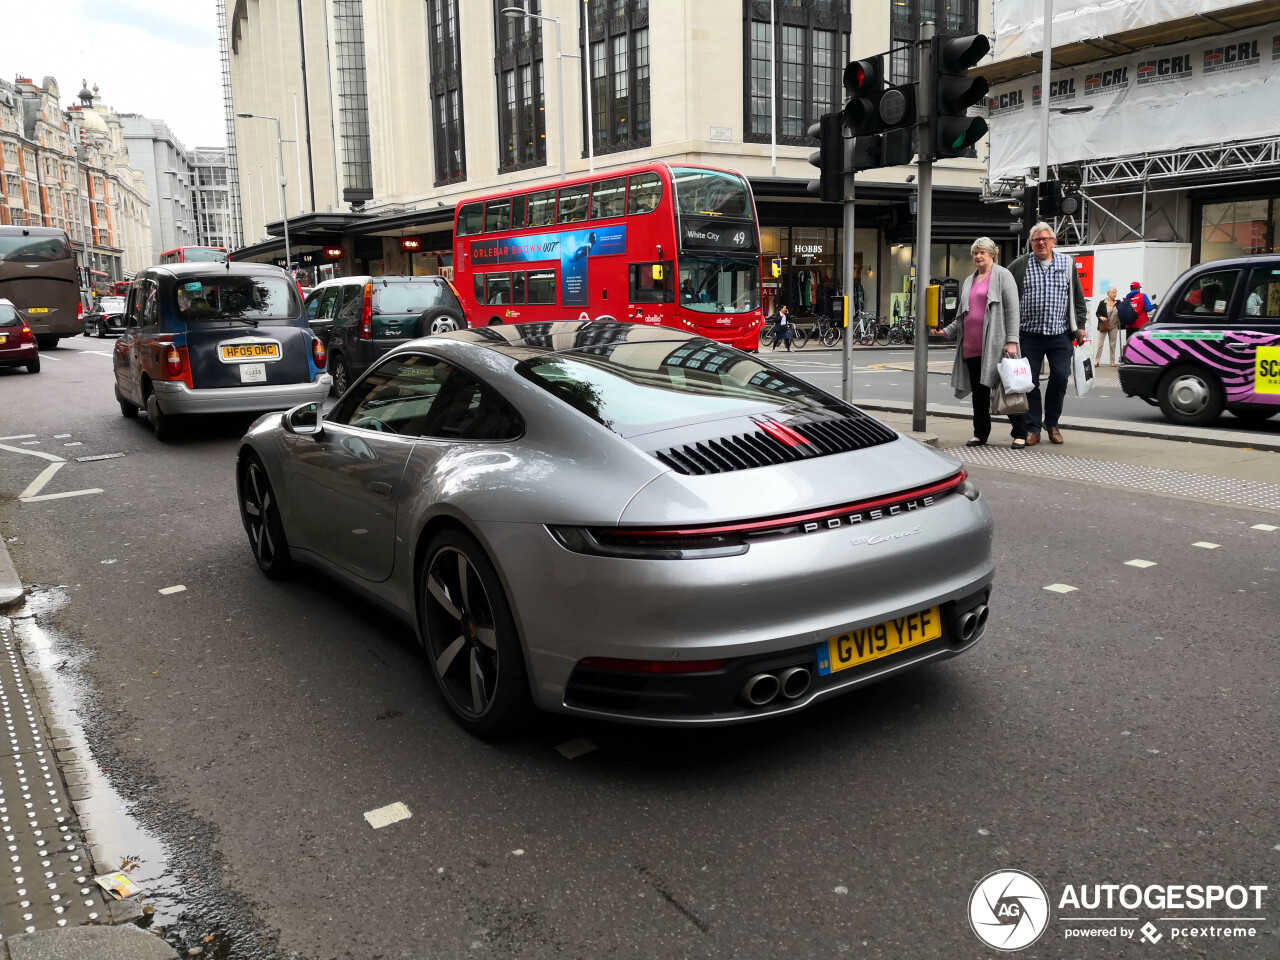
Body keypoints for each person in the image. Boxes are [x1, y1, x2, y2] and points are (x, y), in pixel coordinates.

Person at [1007, 223, 1088, 446]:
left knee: (1061, 377)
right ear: (1030, 243)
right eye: (1036, 240)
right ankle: (1033, 427)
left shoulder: (1067, 263)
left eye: (1045, 239)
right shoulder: (1020, 265)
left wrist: (1080, 325)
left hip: (1060, 335)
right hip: (1028, 335)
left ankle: (1052, 423)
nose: (1041, 243)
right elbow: (1006, 292)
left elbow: (1078, 299)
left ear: (1054, 241)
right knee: (1029, 382)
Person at [941, 237, 1027, 448]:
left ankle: (1020, 433)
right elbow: (963, 314)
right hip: (971, 345)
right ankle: (980, 434)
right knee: (979, 394)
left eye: (983, 253)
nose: (978, 256)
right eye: (975, 253)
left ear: (992, 254)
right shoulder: (970, 279)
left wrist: (1012, 341)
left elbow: (1012, 309)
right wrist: (946, 331)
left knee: (1007, 390)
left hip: (996, 345)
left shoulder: (1002, 275)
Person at [1094, 286, 1120, 366]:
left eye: (1116, 292)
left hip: (1114, 326)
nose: (1115, 294)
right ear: (1109, 293)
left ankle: (1112, 361)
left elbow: (1122, 311)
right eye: (1113, 293)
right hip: (1104, 325)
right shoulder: (1103, 302)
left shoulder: (1118, 303)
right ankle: (1097, 361)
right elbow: (1097, 313)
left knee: (1112, 344)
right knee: (1100, 344)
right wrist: (1101, 317)